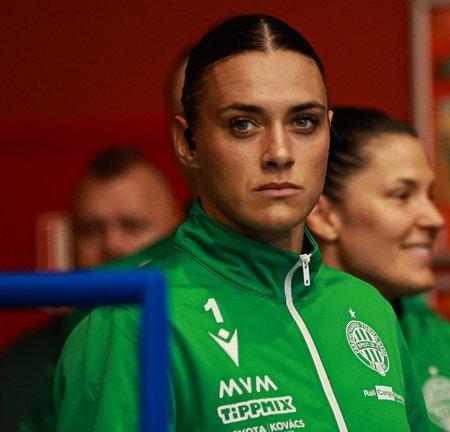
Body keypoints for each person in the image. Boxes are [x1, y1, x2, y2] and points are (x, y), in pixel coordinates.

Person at [54, 15, 429, 431]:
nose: (280, 152)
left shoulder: (368, 308)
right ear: (188, 143)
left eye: (304, 121)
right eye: (243, 124)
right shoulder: (133, 324)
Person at [306, 106, 450, 431]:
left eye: (431, 196)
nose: (435, 219)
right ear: (324, 215)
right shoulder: (280, 341)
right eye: (402, 195)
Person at [0, 147, 182, 431]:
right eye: (91, 230)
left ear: (175, 232)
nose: (112, 245)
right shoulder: (23, 364)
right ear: (70, 241)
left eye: (132, 226)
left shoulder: (197, 344)